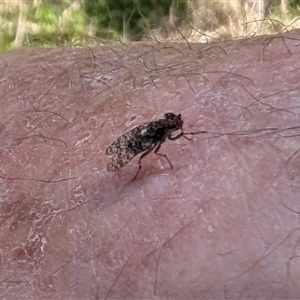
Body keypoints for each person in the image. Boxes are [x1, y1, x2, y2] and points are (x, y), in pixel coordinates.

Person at [1, 30, 300, 299]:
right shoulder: (160, 131)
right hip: (140, 142)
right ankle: (135, 172)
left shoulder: (163, 125)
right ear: (169, 124)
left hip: (141, 136)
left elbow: (154, 132)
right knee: (147, 156)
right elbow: (152, 146)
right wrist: (165, 155)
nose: (176, 125)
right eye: (175, 124)